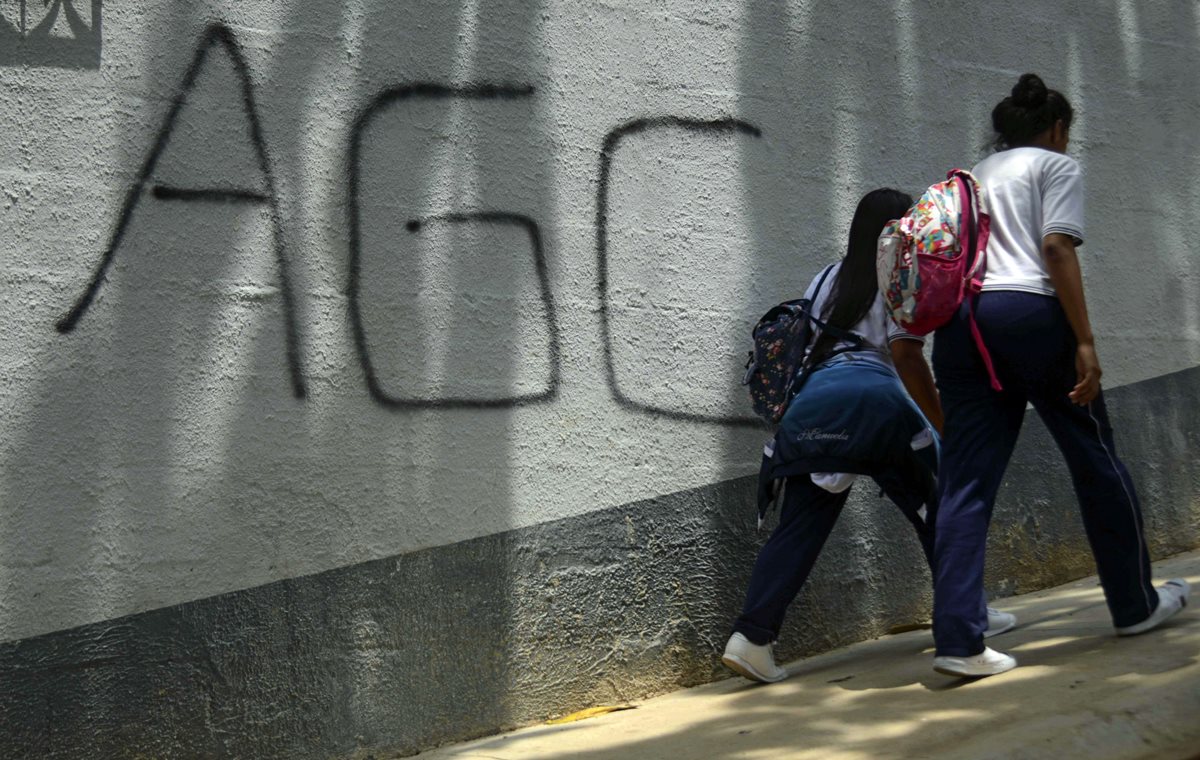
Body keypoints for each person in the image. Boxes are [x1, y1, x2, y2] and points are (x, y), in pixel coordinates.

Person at [929, 73, 1191, 678]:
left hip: (964, 326)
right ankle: (1134, 604)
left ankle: (959, 642)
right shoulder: (1056, 166)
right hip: (1029, 316)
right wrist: (1086, 342)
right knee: (1095, 458)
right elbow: (1055, 249)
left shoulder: (972, 175)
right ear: (1056, 129)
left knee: (965, 480)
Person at [722, 188, 1015, 684]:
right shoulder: (898, 273)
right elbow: (905, 355)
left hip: (813, 409)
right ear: (898, 229)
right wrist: (943, 424)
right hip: (876, 407)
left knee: (800, 525)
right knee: (938, 507)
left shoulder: (825, 278)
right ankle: (969, 616)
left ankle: (751, 639)